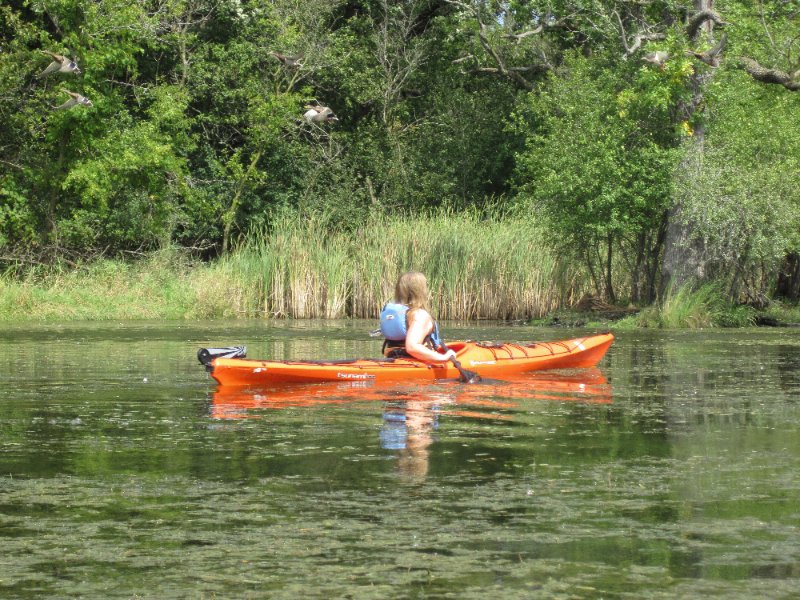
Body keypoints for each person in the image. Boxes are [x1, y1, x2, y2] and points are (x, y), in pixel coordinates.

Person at [380, 271, 457, 363]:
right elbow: (412, 347)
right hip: (414, 364)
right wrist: (443, 357)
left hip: (393, 360)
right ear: (421, 291)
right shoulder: (419, 315)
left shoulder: (395, 314)